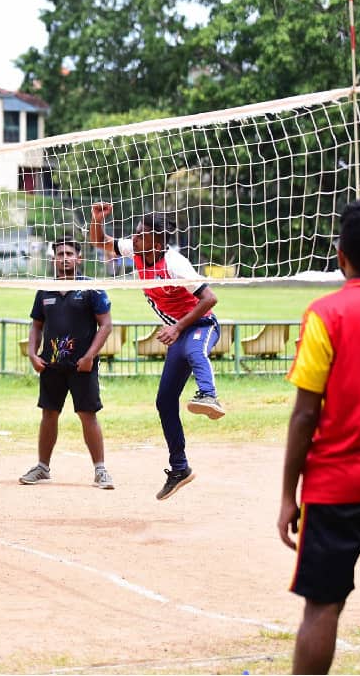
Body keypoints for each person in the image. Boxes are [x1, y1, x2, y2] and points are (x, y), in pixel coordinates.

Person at [277, 198, 360, 674]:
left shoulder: (326, 314)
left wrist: (288, 495)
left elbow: (305, 415)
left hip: (337, 489)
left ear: (339, 254)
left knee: (322, 606)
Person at [88, 202, 225, 501]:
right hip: (180, 330)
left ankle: (209, 395)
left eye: (141, 234)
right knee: (164, 401)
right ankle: (180, 468)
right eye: (135, 233)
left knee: (194, 351)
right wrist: (96, 220)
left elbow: (209, 298)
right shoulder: (137, 251)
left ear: (158, 241)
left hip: (202, 324)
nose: (135, 237)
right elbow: (100, 242)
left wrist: (177, 328)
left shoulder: (175, 263)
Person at [20, 239, 115, 489]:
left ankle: (100, 470)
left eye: (70, 254)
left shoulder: (91, 289)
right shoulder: (45, 290)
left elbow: (106, 325)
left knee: (87, 415)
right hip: (51, 364)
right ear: (53, 259)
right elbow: (37, 325)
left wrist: (90, 356)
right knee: (49, 413)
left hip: (81, 365)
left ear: (79, 259)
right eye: (60, 254)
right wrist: (32, 353)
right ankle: (42, 467)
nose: (64, 258)